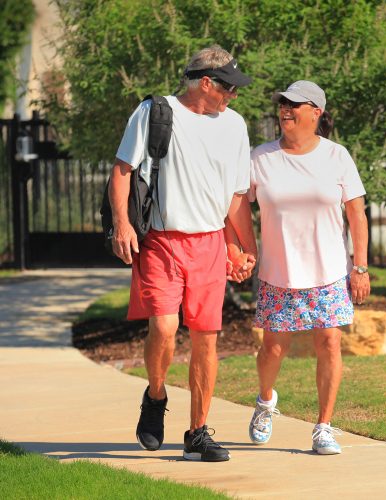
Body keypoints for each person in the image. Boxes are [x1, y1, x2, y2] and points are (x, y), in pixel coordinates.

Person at [108, 45, 257, 462]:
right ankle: (155, 395)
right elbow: (122, 171)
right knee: (166, 328)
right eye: (228, 86)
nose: (233, 94)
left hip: (209, 244)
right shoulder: (157, 112)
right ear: (205, 83)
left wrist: (246, 248)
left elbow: (235, 197)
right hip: (161, 241)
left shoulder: (235, 126)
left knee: (207, 341)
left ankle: (197, 432)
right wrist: (122, 223)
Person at [242, 80, 370, 455]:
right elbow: (236, 207)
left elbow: (357, 215)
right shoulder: (260, 158)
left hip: (329, 271)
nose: (286, 109)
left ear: (316, 112)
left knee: (330, 342)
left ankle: (324, 427)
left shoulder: (337, 156)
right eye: (283, 104)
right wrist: (242, 248)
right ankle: (266, 402)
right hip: (279, 273)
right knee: (272, 350)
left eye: (295, 104)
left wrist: (359, 267)